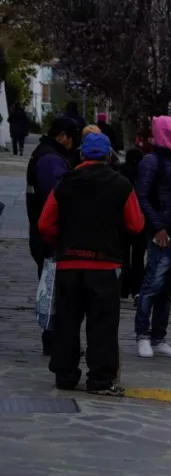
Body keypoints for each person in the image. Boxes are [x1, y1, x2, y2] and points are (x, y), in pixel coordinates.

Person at [37, 133, 144, 396]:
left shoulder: (65, 183)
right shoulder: (121, 184)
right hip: (104, 267)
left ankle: (65, 375)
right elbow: (136, 224)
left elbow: (44, 224)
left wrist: (61, 242)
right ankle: (100, 380)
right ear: (108, 156)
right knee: (103, 326)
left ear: (82, 155)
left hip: (69, 265)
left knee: (67, 323)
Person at [134, 115, 171, 359]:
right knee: (152, 286)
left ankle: (159, 337)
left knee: (168, 289)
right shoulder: (152, 161)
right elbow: (142, 197)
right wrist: (158, 227)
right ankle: (143, 335)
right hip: (161, 234)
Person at [25, 116, 78, 355]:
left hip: (45, 234)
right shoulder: (49, 159)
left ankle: (56, 339)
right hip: (49, 236)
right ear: (62, 136)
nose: (73, 143)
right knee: (55, 290)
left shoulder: (48, 155)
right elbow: (58, 197)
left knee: (54, 288)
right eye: (72, 137)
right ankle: (55, 340)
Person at [119, 149, 147, 300]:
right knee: (138, 256)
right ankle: (137, 287)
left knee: (123, 254)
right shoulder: (141, 174)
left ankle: (123, 287)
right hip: (137, 217)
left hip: (122, 219)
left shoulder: (121, 173)